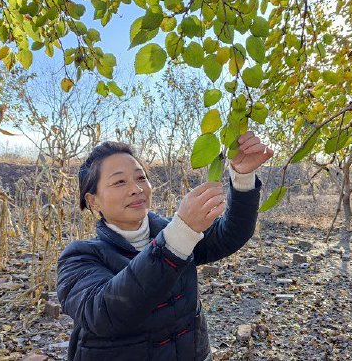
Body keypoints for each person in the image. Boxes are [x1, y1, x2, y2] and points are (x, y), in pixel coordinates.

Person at [56, 131, 274, 361]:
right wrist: (180, 233)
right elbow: (103, 313)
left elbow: (230, 234)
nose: (136, 189)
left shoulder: (174, 231)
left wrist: (243, 177)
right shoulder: (80, 257)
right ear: (93, 200)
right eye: (120, 182)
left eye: (141, 178)